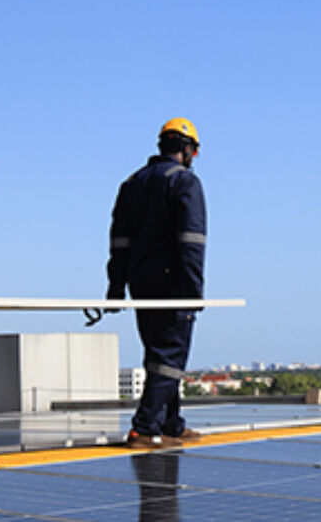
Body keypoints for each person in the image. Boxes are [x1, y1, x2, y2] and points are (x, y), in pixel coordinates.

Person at [106, 118, 207, 449]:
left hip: (141, 285)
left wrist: (116, 286)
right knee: (170, 358)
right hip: (173, 285)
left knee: (157, 357)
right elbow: (191, 241)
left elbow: (119, 241)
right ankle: (144, 428)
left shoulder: (131, 183)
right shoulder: (185, 182)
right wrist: (193, 291)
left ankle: (170, 424)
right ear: (188, 150)